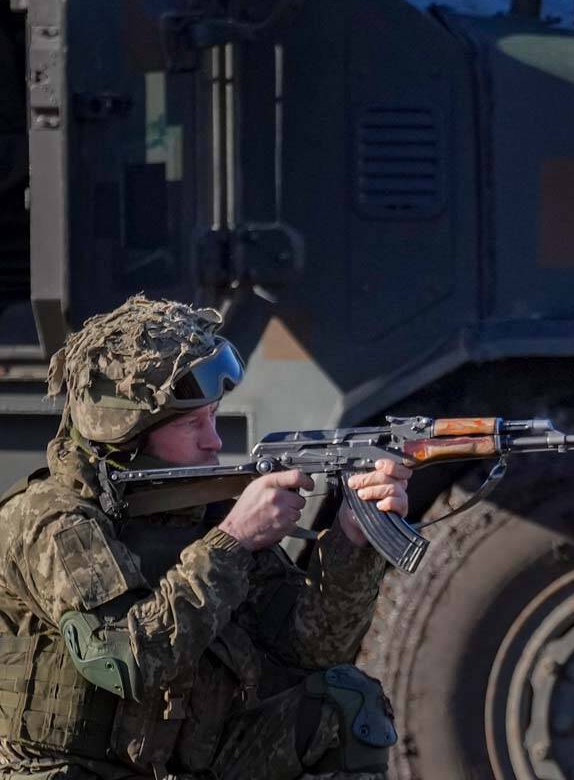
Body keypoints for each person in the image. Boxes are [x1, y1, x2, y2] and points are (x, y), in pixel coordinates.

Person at [0, 295, 412, 780]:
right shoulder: (52, 521)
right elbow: (126, 662)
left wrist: (351, 540)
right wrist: (233, 540)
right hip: (70, 770)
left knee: (346, 708)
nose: (214, 441)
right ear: (128, 434)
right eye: (192, 423)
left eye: (214, 417)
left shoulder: (195, 511)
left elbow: (313, 648)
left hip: (178, 763)